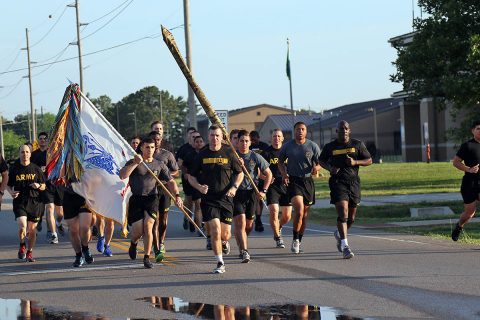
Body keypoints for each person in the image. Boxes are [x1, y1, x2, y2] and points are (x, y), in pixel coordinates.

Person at [119, 137, 183, 269]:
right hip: (136, 198)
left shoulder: (159, 164)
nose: (150, 150)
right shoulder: (133, 161)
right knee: (137, 231)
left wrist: (177, 195)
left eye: (152, 147)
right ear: (141, 148)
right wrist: (136, 163)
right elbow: (123, 175)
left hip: (152, 198)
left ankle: (147, 257)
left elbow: (171, 181)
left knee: (148, 226)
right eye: (147, 147)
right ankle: (133, 243)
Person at [188, 124, 244, 274]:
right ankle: (220, 262)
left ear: (222, 137)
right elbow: (190, 176)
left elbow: (240, 173)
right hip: (209, 199)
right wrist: (199, 187)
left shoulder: (229, 152)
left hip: (226, 198)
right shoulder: (202, 154)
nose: (214, 138)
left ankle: (224, 243)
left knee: (225, 234)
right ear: (208, 136)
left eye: (217, 135)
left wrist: (234, 187)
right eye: (212, 135)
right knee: (215, 230)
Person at [319, 120, 372, 259]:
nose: (344, 131)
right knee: (343, 212)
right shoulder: (330, 147)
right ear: (336, 131)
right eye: (341, 129)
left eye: (346, 128)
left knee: (351, 218)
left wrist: (355, 162)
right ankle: (345, 246)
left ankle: (339, 234)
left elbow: (369, 160)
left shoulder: (357, 144)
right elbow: (321, 160)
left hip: (353, 182)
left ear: (350, 130)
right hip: (337, 182)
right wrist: (331, 168)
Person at [278, 122, 321, 254]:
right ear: (294, 131)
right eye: (298, 129)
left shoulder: (312, 146)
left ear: (306, 131)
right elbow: (280, 162)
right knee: (299, 211)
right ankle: (295, 239)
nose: (300, 131)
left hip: (307, 181)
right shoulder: (287, 146)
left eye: (303, 129)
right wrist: (284, 174)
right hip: (294, 181)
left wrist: (316, 168)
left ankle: (299, 239)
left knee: (305, 216)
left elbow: (321, 163)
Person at [233, 130, 272, 263]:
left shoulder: (255, 157)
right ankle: (244, 251)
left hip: (252, 193)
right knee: (241, 222)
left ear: (250, 142)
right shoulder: (233, 156)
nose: (244, 143)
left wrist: (264, 191)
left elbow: (269, 174)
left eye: (246, 141)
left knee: (248, 225)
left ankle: (242, 240)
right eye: (241, 141)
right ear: (237, 142)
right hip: (237, 193)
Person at [7, 144, 46, 262]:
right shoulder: (14, 168)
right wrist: (11, 192)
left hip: (35, 202)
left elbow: (44, 186)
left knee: (32, 230)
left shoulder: (36, 169)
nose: (25, 154)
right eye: (22, 152)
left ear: (30, 153)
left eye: (27, 152)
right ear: (19, 154)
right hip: (20, 201)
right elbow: (8, 184)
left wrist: (38, 185)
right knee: (22, 225)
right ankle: (22, 244)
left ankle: (30, 251)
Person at [148, 131, 179, 262]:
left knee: (164, 221)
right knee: (155, 221)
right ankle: (157, 248)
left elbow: (176, 171)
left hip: (165, 190)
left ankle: (161, 242)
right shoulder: (145, 154)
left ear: (161, 140)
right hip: (151, 191)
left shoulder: (167, 154)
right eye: (153, 139)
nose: (156, 142)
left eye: (158, 139)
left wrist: (167, 178)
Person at [30, 131, 65, 244]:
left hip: (57, 184)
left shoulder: (53, 153)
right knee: (49, 208)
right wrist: (39, 172)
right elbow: (31, 169)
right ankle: (53, 234)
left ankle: (58, 223)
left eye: (45, 138)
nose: (43, 140)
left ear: (48, 140)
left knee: (60, 214)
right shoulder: (34, 155)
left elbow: (61, 166)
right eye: (40, 138)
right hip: (44, 185)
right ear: (38, 140)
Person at [262, 129, 292, 248]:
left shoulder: (288, 151)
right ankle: (278, 238)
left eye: (279, 136)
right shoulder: (266, 153)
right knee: (274, 211)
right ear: (271, 138)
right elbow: (258, 171)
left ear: (283, 138)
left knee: (287, 216)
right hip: (272, 186)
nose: (276, 138)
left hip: (286, 185)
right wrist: (265, 177)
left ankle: (278, 226)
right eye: (274, 136)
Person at [451, 120, 480, 241]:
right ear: (473, 131)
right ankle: (459, 226)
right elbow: (456, 162)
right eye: (478, 128)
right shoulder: (468, 146)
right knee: (469, 213)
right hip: (470, 183)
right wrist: (468, 169)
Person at [63, 187, 96, 267]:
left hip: (86, 195)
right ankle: (78, 255)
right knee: (73, 230)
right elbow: (55, 178)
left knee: (84, 227)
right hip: (69, 195)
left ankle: (85, 248)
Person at [182, 134, 206, 238]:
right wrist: (186, 174)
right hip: (195, 182)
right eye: (197, 142)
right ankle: (199, 227)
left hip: (207, 182)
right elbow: (183, 166)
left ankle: (206, 224)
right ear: (194, 143)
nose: (199, 143)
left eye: (201, 141)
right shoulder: (190, 154)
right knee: (198, 204)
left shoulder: (207, 153)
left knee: (207, 205)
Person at [176, 127, 198, 232]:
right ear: (188, 136)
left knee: (198, 201)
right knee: (189, 200)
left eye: (195, 136)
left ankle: (197, 222)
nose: (193, 137)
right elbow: (179, 164)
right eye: (191, 135)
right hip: (187, 178)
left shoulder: (201, 148)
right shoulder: (184, 149)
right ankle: (188, 218)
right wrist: (185, 173)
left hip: (199, 179)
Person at [250, 130, 269, 232]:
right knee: (254, 199)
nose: (253, 142)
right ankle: (254, 217)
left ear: (258, 138)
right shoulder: (248, 147)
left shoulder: (264, 146)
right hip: (252, 176)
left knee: (259, 199)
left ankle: (258, 218)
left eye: (254, 139)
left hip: (263, 176)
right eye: (251, 140)